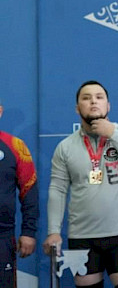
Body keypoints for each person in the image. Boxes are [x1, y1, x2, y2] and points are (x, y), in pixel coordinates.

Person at [42, 81, 118, 288]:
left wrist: (112, 133)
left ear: (108, 105)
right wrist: (53, 231)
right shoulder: (65, 147)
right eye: (86, 98)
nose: (93, 102)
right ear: (77, 108)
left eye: (99, 97)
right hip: (82, 238)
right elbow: (57, 190)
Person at [0, 103, 39, 287]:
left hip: (3, 237)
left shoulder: (16, 146)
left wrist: (28, 231)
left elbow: (29, 190)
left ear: (0, 111)